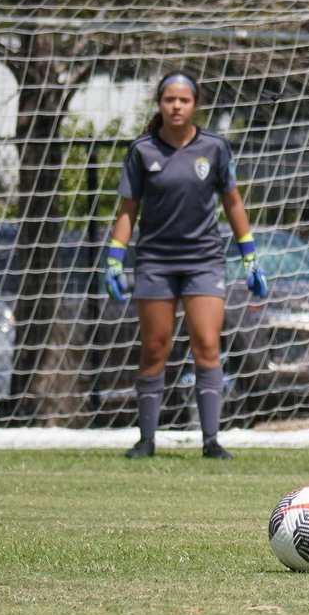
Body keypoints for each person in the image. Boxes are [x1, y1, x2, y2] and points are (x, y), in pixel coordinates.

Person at [105, 71, 268, 461]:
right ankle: (146, 440)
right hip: (155, 262)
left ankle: (211, 440)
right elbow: (128, 209)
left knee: (207, 345)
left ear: (195, 105)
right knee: (155, 348)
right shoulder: (142, 150)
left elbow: (233, 203)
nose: (176, 106)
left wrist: (250, 256)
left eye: (183, 100)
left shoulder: (214, 148)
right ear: (160, 103)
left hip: (204, 260)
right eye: (168, 99)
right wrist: (114, 257)